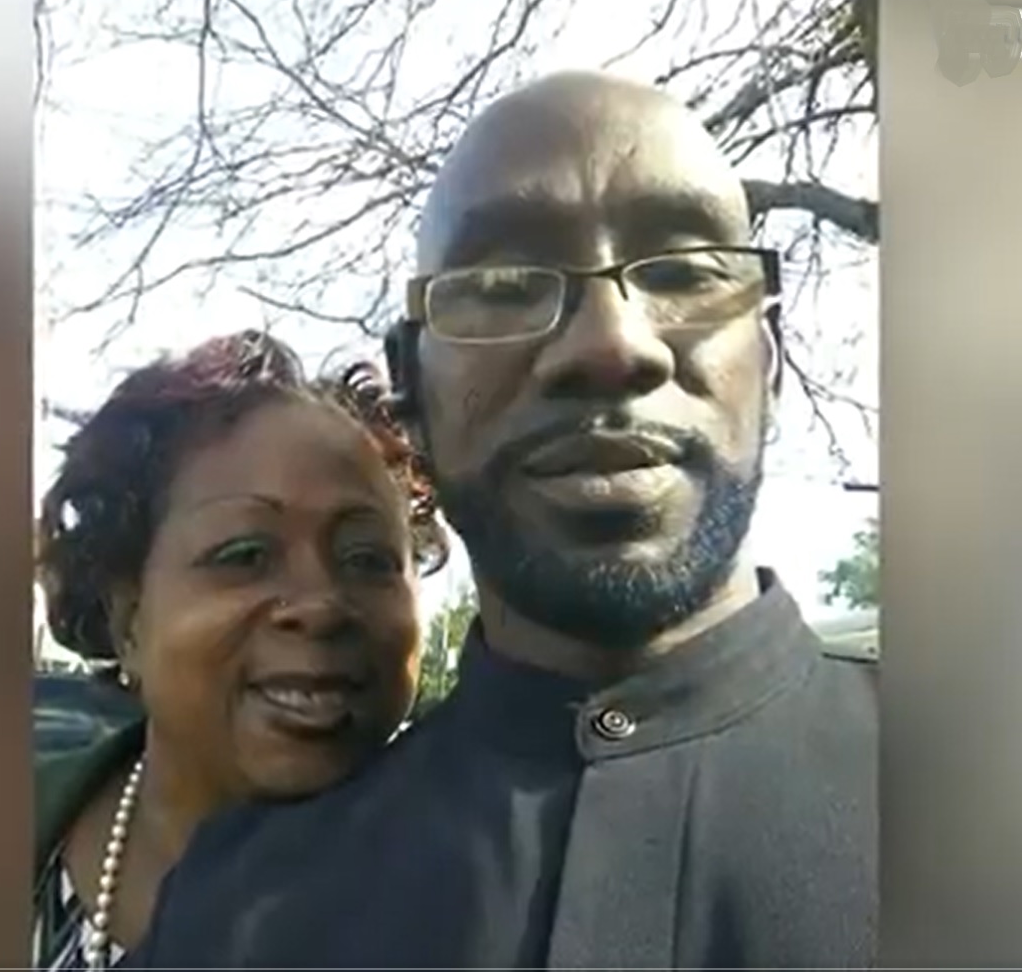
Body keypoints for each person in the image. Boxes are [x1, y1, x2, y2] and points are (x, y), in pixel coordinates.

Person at [125, 71, 877, 969]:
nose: (612, 343)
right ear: (409, 390)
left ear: (771, 359)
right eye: (507, 283)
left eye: (683, 272)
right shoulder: (233, 917)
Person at [33, 330, 446, 970]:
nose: (321, 605)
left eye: (367, 559)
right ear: (130, 621)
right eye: (246, 554)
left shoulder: (471, 899)